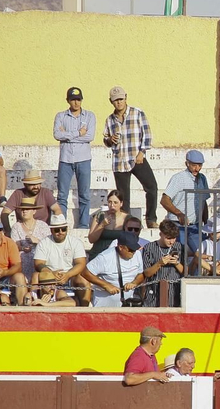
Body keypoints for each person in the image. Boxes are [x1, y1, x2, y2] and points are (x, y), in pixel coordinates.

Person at [100, 86, 157, 226]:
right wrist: (109, 140)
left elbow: (147, 134)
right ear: (111, 101)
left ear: (126, 97)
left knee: (151, 187)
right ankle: (125, 222)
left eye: (121, 99)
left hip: (137, 158)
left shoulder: (138, 113)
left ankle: (151, 219)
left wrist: (142, 152)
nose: (119, 102)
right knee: (123, 196)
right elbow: (106, 139)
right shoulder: (109, 120)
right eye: (115, 100)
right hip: (120, 160)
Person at [52, 87, 97, 226]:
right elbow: (57, 135)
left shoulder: (90, 116)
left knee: (84, 194)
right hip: (65, 159)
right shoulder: (61, 116)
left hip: (83, 158)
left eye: (78, 99)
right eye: (73, 100)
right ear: (68, 100)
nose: (76, 103)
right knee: (62, 195)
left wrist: (68, 135)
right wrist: (78, 133)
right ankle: (62, 223)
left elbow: (90, 136)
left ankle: (83, 225)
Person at [83, 230, 145, 308]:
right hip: (104, 307)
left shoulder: (137, 254)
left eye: (135, 249)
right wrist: (106, 285)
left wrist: (134, 283)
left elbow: (141, 274)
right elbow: (85, 272)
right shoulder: (105, 257)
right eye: (131, 249)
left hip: (127, 306)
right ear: (121, 247)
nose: (133, 252)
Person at [139, 220, 186, 307]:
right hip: (153, 294)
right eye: (168, 238)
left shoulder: (179, 247)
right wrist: (159, 264)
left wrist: (176, 263)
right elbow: (146, 273)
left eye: (174, 238)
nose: (171, 241)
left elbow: (186, 272)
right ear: (161, 234)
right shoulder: (149, 248)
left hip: (174, 293)